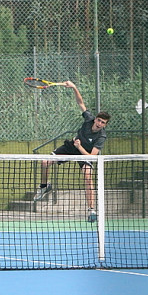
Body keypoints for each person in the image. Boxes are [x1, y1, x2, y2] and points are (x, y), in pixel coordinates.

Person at [33, 81, 110, 222]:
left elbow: (92, 157)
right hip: (71, 148)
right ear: (95, 120)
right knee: (44, 162)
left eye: (103, 123)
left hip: (85, 153)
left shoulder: (101, 136)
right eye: (98, 120)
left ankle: (91, 210)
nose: (99, 124)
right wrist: (74, 87)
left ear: (105, 125)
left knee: (87, 176)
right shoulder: (88, 119)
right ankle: (45, 187)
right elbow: (80, 102)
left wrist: (80, 147)